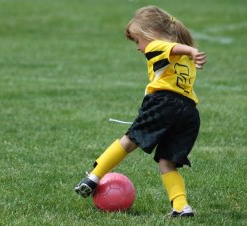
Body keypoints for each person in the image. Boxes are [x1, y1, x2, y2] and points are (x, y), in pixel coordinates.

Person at [75, 5, 207, 217]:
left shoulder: (158, 45)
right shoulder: (185, 60)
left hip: (164, 103)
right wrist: (189, 52)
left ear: (150, 33)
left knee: (128, 141)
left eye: (137, 40)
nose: (138, 47)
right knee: (167, 162)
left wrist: (190, 50)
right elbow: (175, 51)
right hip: (189, 113)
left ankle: (93, 176)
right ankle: (181, 206)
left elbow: (169, 48)